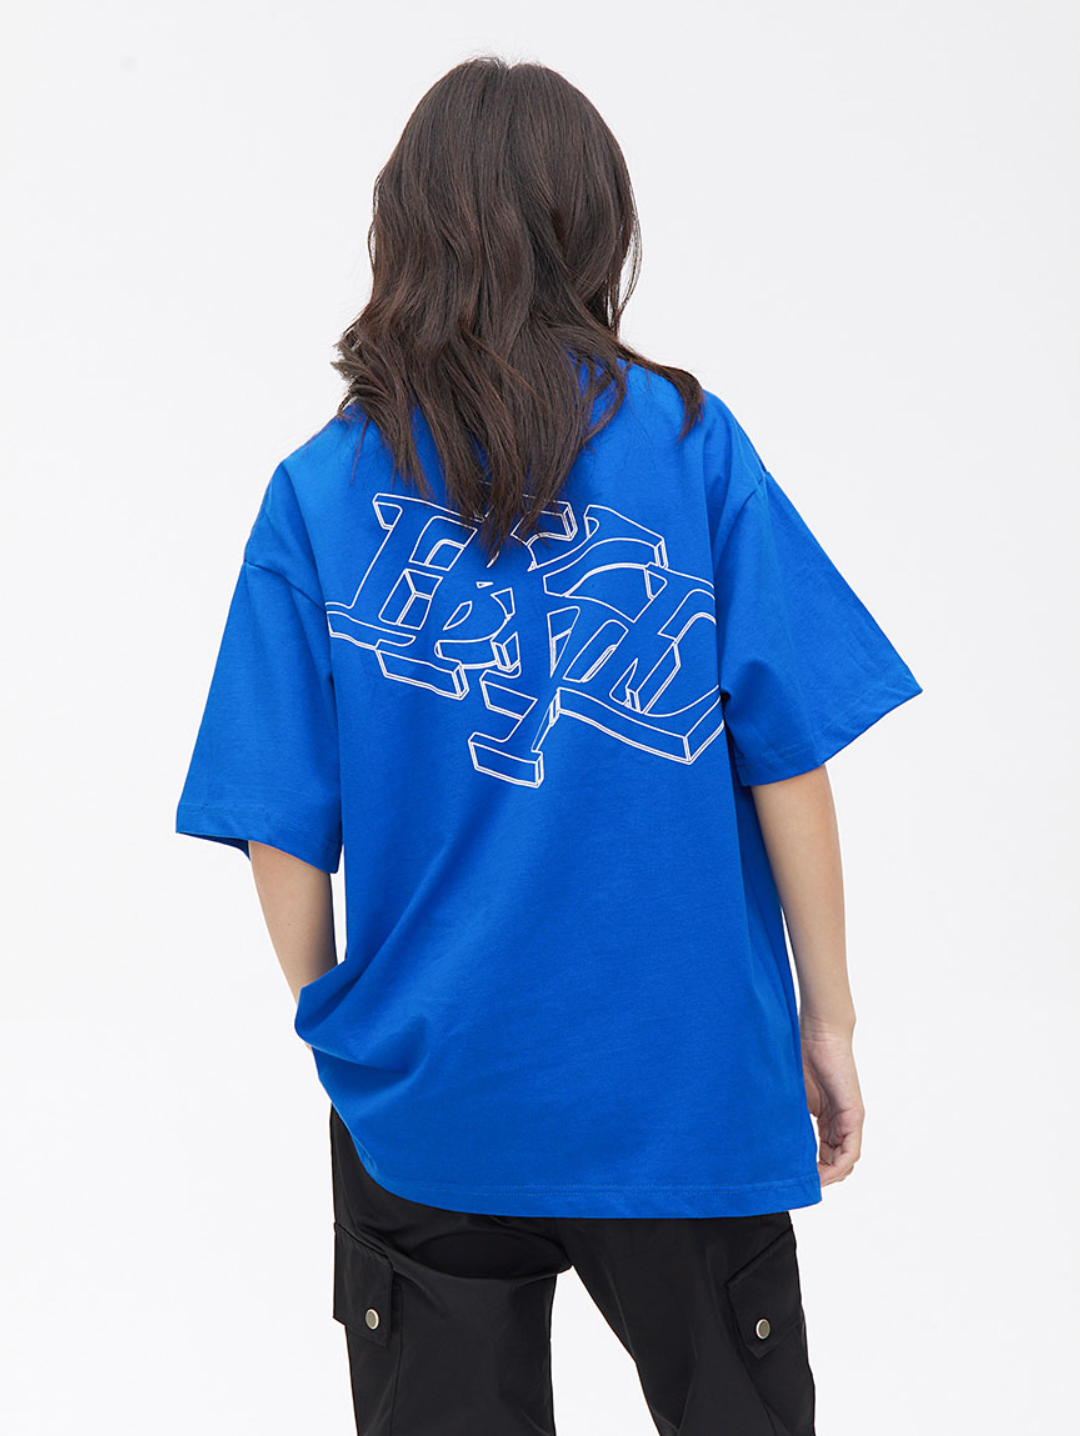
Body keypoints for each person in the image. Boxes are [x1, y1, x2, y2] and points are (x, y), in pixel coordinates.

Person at [175, 55, 922, 1436]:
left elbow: (278, 815)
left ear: (403, 230)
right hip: (682, 1079)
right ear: (595, 228)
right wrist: (826, 1016)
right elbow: (787, 756)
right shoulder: (691, 448)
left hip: (432, 1086)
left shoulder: (321, 490)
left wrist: (339, 1021)